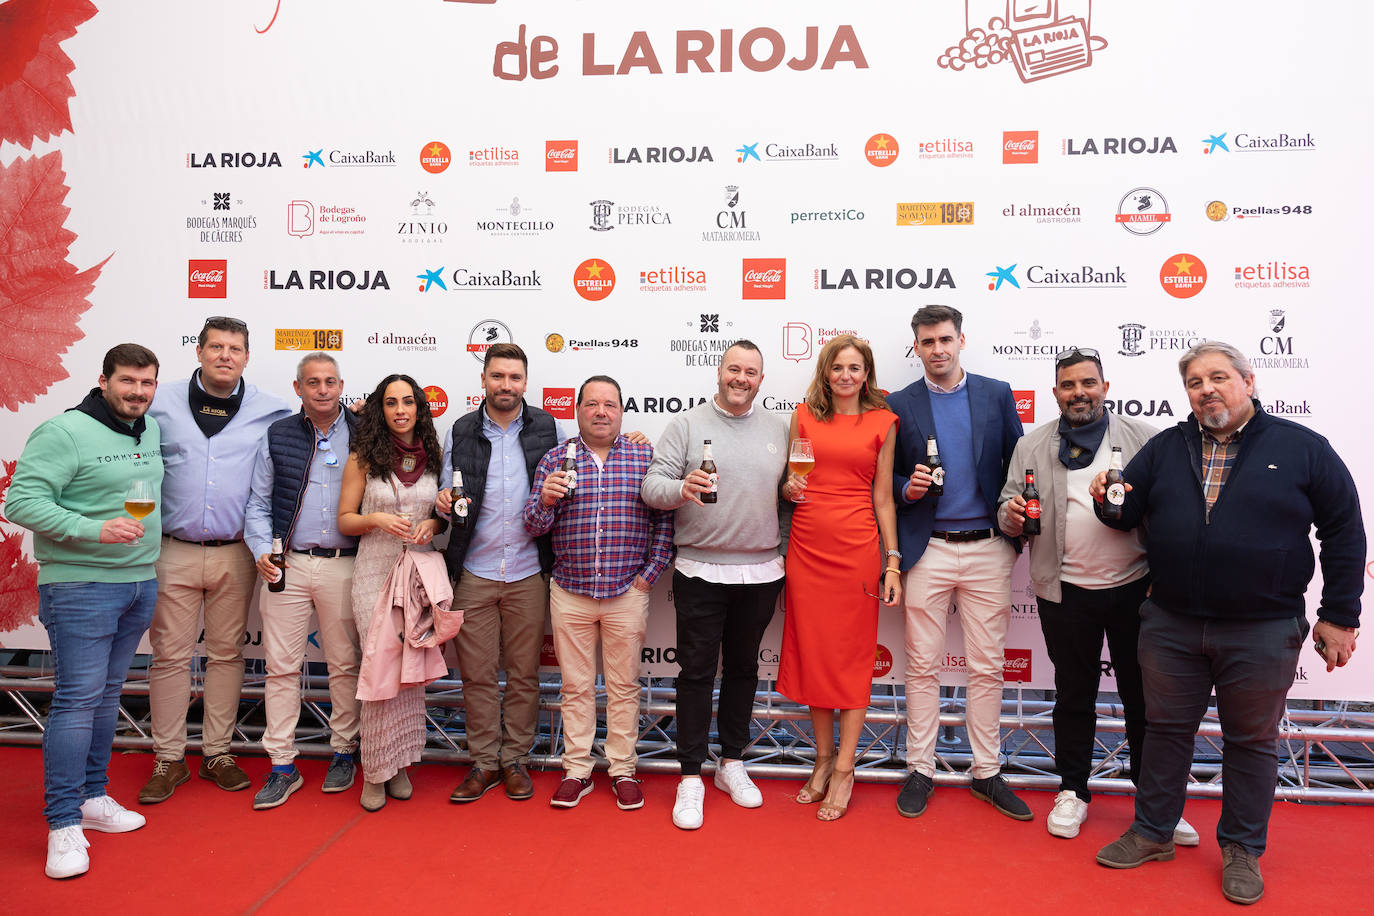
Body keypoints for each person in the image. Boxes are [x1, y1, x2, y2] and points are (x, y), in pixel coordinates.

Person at [1090, 341, 1363, 905]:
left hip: (1263, 627)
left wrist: (1340, 615)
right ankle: (1152, 832)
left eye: (1218, 377)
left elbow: (1343, 532)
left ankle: (1242, 849)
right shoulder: (1166, 447)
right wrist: (1105, 500)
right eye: (1195, 381)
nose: (1206, 389)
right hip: (1170, 622)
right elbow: (1126, 511)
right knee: (1164, 733)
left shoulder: (1302, 448)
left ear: (1248, 380)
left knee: (1251, 741)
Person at [995, 347, 1196, 845]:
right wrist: (1012, 515)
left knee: (1144, 699)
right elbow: (1005, 506)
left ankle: (1156, 802)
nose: (1079, 393)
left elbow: (1170, 512)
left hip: (1136, 589)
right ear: (1055, 392)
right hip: (1064, 591)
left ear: (1105, 387)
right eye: (1068, 385)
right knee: (1074, 695)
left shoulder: (1144, 440)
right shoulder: (1034, 444)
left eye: (1088, 383)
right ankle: (1073, 790)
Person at [7, 344, 162, 879]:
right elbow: (19, 502)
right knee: (76, 702)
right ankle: (63, 824)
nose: (137, 392)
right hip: (80, 586)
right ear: (103, 381)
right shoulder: (64, 431)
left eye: (147, 383)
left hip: (139, 583)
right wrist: (93, 529)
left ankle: (94, 798)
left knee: (106, 698)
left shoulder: (149, 429)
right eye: (127, 382)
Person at [886, 305, 1029, 821]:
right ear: (916, 347)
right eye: (927, 342)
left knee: (987, 666)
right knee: (922, 665)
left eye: (945, 339)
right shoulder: (899, 402)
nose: (938, 349)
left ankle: (986, 771)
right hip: (929, 548)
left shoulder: (996, 392)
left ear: (962, 339)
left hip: (989, 546)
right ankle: (920, 768)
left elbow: (1020, 464)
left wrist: (1017, 524)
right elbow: (891, 479)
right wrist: (909, 487)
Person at [140, 317, 290, 804]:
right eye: (217, 347)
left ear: (247, 357)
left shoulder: (273, 411)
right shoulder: (157, 402)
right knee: (169, 658)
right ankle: (168, 758)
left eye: (236, 348)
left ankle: (217, 753)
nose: (226, 355)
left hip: (236, 554)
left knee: (227, 655)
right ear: (199, 351)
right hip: (172, 551)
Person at [642, 340, 789, 831]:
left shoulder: (779, 429)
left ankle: (731, 763)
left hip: (762, 571)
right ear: (719, 372)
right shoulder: (686, 425)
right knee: (696, 673)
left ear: (761, 381)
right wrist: (681, 488)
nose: (741, 378)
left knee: (745, 669)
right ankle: (689, 776)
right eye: (733, 369)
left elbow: (789, 496)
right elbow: (651, 486)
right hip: (700, 570)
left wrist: (782, 547)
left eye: (751, 371)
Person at [523, 375, 674, 811]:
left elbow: (665, 524)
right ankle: (577, 770)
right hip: (570, 591)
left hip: (628, 590)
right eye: (592, 404)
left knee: (625, 686)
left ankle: (623, 769)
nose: (601, 412)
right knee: (575, 687)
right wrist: (546, 502)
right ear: (577, 410)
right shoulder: (555, 459)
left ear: (622, 411)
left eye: (610, 404)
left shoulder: (646, 456)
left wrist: (649, 575)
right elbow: (532, 527)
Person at [776, 335, 900, 821]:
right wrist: (789, 485)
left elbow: (884, 497)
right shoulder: (803, 416)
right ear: (826, 374)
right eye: (838, 368)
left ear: (866, 374)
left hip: (857, 553)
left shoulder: (884, 421)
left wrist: (892, 561)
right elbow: (792, 480)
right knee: (815, 657)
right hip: (806, 550)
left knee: (849, 661)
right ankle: (823, 759)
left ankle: (845, 767)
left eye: (856, 368)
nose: (846, 375)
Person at [437, 343, 561, 804]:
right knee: (478, 675)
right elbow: (446, 493)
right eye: (497, 376)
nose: (506, 385)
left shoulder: (548, 427)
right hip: (475, 570)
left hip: (530, 570)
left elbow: (578, 467)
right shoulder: (462, 430)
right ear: (484, 380)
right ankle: (484, 762)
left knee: (525, 674)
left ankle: (515, 761)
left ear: (525, 382)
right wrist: (441, 502)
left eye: (514, 377)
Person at [244, 353, 362, 810]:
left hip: (345, 564)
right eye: (312, 382)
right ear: (298, 389)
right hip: (287, 565)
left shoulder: (365, 433)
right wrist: (260, 551)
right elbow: (257, 503)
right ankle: (281, 765)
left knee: (344, 665)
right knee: (281, 668)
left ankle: (343, 752)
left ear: (342, 385)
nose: (322, 390)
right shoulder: (278, 434)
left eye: (330, 381)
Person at [338, 374, 445, 811]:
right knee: (378, 667)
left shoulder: (433, 456)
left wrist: (433, 525)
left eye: (407, 402)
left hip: (416, 574)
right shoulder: (363, 457)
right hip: (374, 572)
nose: (400, 410)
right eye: (390, 403)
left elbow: (442, 513)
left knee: (409, 670)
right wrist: (377, 520)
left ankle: (399, 764)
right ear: (379, 410)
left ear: (419, 407)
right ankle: (374, 771)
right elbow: (345, 519)